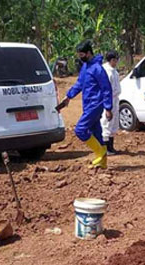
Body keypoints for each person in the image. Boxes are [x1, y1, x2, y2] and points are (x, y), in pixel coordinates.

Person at [56, 40, 113, 169]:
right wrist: (69, 96)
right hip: (87, 104)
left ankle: (100, 152)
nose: (80, 58)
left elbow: (106, 89)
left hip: (95, 104)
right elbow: (79, 84)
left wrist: (108, 108)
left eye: (82, 55)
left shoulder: (98, 69)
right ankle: (102, 164)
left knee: (80, 129)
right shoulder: (85, 67)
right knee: (96, 131)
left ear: (88, 53)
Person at [100, 50, 122, 155]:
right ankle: (106, 148)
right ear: (112, 60)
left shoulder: (114, 71)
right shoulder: (107, 72)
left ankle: (111, 147)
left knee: (113, 123)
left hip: (115, 99)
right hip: (108, 100)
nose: (117, 62)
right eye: (115, 60)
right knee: (106, 122)